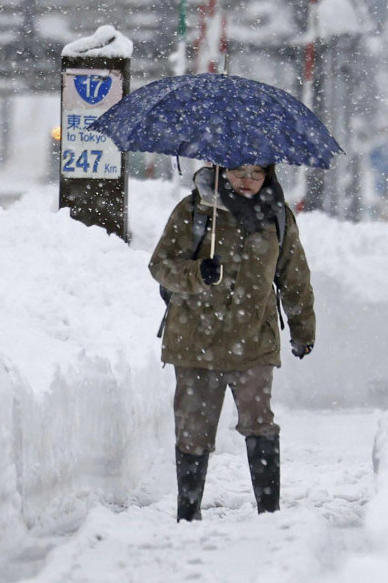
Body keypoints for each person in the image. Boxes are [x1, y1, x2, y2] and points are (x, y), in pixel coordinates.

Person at [149, 162, 315, 521]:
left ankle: (269, 513)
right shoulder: (194, 210)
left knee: (260, 424)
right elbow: (160, 265)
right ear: (222, 169)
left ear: (268, 175)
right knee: (193, 432)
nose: (246, 180)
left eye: (256, 173)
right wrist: (197, 273)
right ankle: (187, 515)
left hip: (254, 341)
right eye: (239, 171)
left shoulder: (277, 216)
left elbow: (294, 277)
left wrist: (303, 330)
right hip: (195, 342)